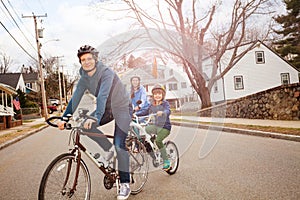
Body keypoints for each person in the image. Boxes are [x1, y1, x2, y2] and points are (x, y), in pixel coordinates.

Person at [57, 45, 131, 200]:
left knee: (119, 144)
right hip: (107, 108)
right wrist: (64, 118)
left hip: (122, 107)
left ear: (95, 59)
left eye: (89, 58)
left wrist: (96, 117)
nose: (87, 62)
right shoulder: (84, 78)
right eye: (83, 59)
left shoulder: (106, 73)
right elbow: (75, 98)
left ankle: (125, 183)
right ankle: (108, 149)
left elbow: (102, 96)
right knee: (84, 126)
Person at [134, 84, 171, 171]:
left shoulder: (165, 103)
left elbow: (168, 110)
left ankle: (166, 161)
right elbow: (145, 111)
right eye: (155, 94)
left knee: (158, 141)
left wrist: (163, 112)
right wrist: (135, 114)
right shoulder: (152, 105)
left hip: (165, 127)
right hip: (156, 126)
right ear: (153, 95)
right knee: (146, 130)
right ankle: (153, 146)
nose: (157, 95)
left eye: (159, 94)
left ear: (163, 95)